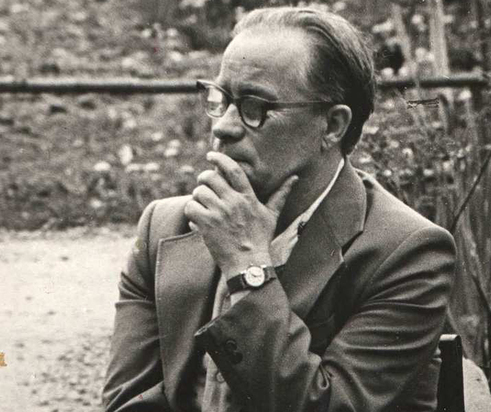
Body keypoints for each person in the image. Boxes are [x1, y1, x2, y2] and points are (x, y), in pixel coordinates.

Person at [102, 6, 456, 412]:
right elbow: (126, 402)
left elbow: (330, 406)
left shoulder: (407, 253)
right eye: (221, 99)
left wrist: (248, 269)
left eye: (255, 107)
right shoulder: (164, 227)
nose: (222, 126)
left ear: (332, 126)